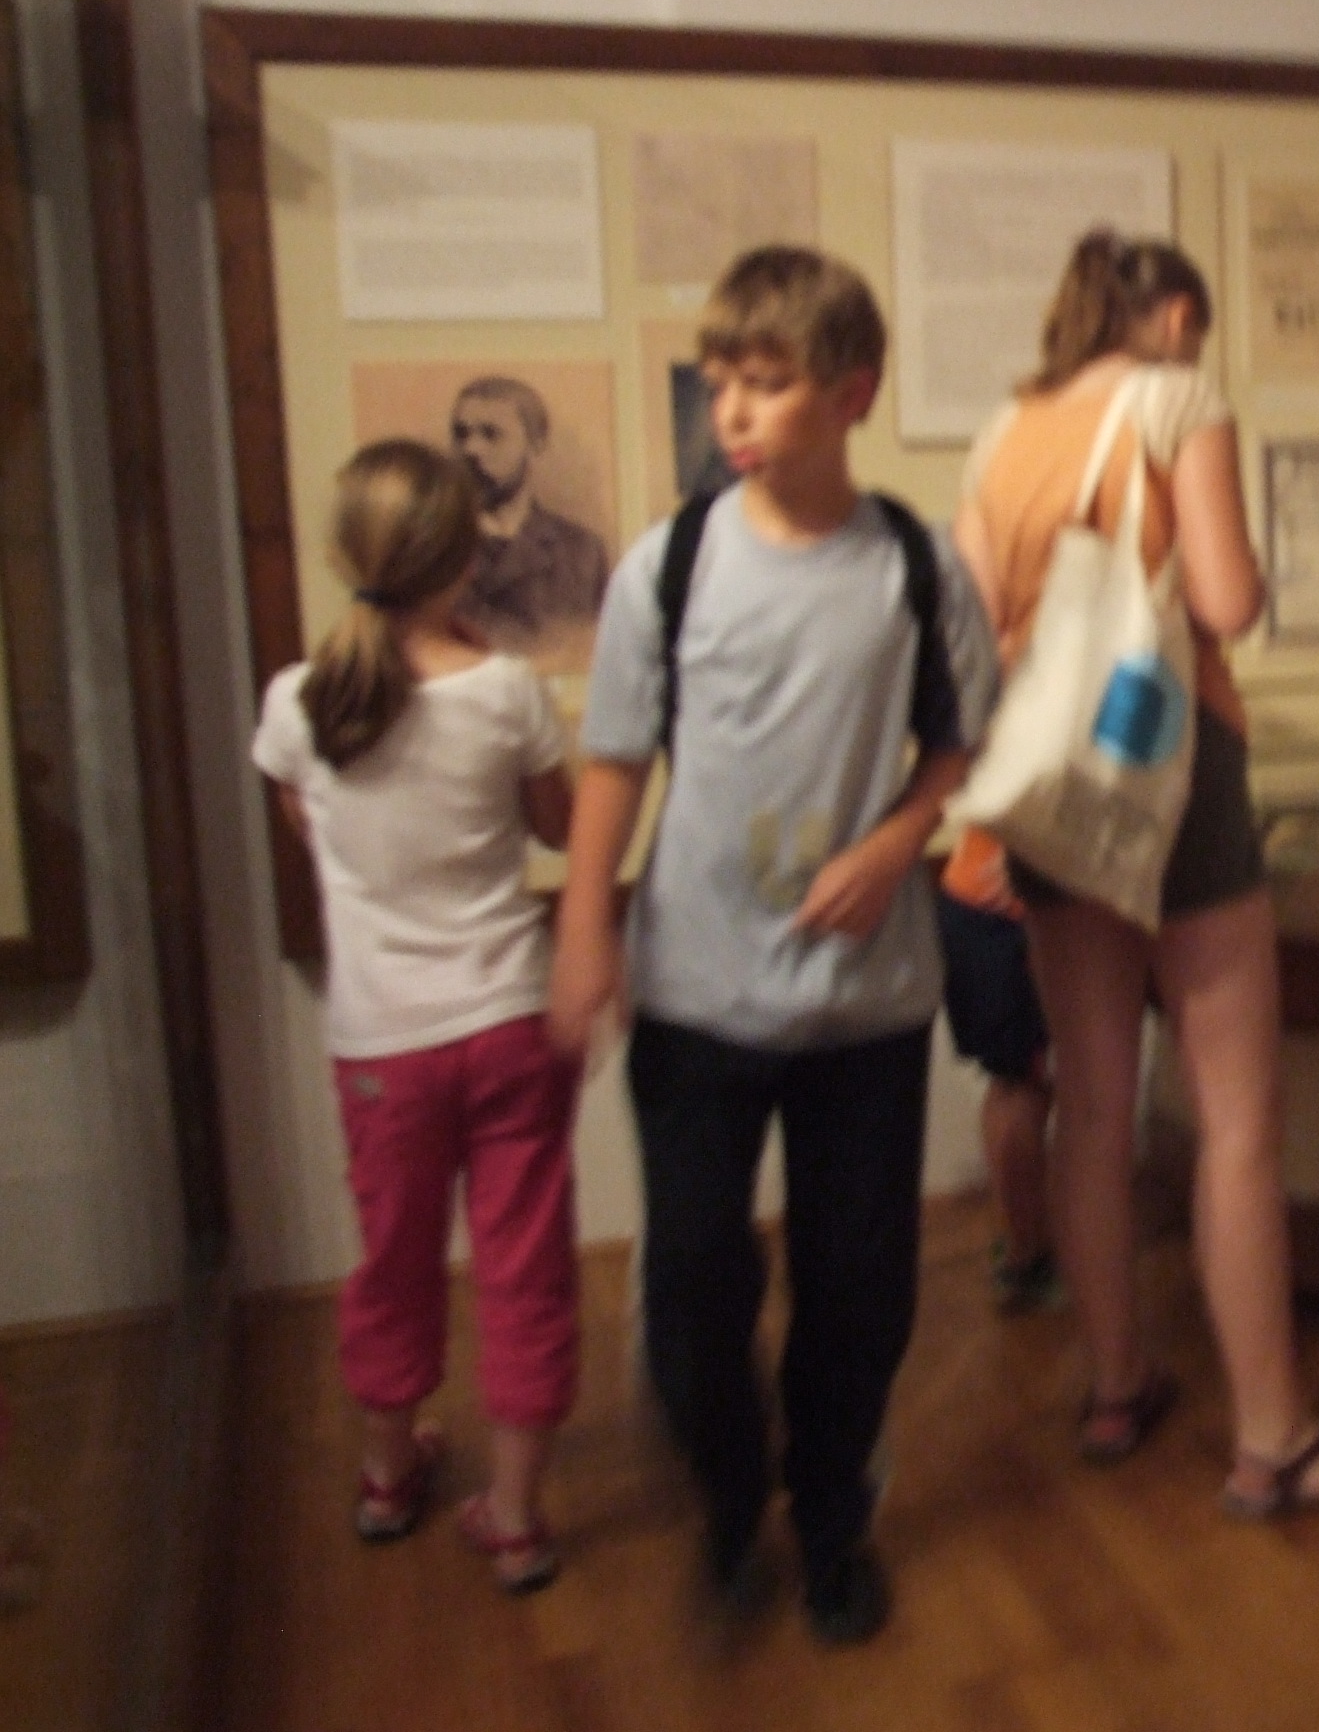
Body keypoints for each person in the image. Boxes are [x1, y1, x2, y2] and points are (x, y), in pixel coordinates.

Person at [547, 246, 996, 1645]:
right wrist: (584, 930)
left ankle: (833, 1519)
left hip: (867, 1004)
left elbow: (960, 744)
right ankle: (732, 1491)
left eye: (767, 381)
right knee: (692, 1282)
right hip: (697, 992)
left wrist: (899, 839)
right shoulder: (669, 567)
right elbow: (615, 759)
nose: (732, 410)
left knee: (860, 1291)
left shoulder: (916, 565)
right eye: (721, 380)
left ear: (852, 392)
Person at [954, 230, 1319, 1518]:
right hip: (1174, 762)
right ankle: (1275, 1436)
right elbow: (1225, 599)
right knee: (1237, 1122)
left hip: (1054, 784)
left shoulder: (1002, 432)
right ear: (1167, 317)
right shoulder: (1176, 400)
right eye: (1195, 328)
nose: (1197, 349)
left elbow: (976, 630)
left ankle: (1115, 1384)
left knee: (1093, 1110)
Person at [250, 438, 579, 1594]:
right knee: (524, 1264)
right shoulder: (505, 691)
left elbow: (312, 830)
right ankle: (517, 1516)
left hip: (381, 1042)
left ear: (349, 551)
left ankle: (390, 1475)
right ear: (461, 560)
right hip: (506, 1018)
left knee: (391, 1259)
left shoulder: (299, 701)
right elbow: (559, 827)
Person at [936, 827, 1060, 1312]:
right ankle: (1026, 1260)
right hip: (1005, 913)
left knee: (1013, 1084)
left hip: (978, 902)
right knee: (1021, 1088)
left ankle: (1021, 1246)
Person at [449, 375, 611, 650]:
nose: (471, 449)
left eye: (490, 434)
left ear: (535, 444)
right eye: (461, 434)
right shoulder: (432, 547)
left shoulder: (582, 553)